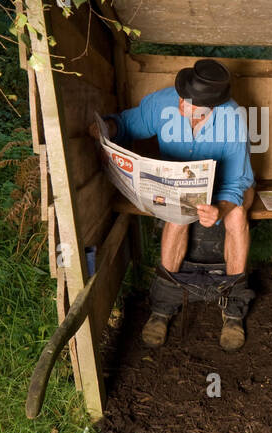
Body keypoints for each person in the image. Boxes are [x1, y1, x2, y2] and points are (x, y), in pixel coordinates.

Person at [91, 59, 255, 351]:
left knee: (237, 218)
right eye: (182, 98)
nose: (181, 106)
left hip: (227, 186)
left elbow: (237, 181)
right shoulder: (165, 102)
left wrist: (221, 209)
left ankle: (232, 312)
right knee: (176, 218)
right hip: (181, 187)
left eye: (190, 104)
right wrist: (107, 130)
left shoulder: (233, 118)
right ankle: (162, 309)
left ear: (212, 108)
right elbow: (127, 124)